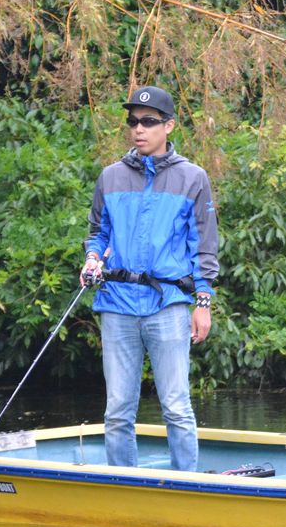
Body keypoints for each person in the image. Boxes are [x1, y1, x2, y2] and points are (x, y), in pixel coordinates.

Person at [79, 85, 218, 472]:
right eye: (133, 122)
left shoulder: (193, 178)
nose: (138, 129)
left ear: (169, 126)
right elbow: (98, 232)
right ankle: (124, 486)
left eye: (149, 122)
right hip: (117, 305)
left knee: (176, 405)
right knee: (118, 410)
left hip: (168, 305)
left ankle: (187, 484)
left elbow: (204, 247)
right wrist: (92, 258)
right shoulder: (110, 177)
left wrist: (202, 303)